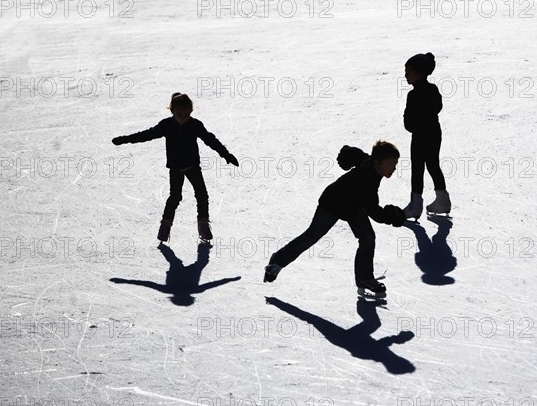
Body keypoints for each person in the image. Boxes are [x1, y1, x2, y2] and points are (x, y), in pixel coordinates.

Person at [264, 141, 406, 297]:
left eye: (396, 164)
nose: (394, 168)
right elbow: (374, 211)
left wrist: (347, 152)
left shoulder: (370, 163)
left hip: (353, 207)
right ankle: (277, 261)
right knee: (311, 236)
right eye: (391, 164)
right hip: (332, 204)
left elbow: (358, 155)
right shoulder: (368, 179)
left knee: (367, 237)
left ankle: (364, 278)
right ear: (377, 162)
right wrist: (393, 216)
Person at [112, 93, 239, 242]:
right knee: (175, 197)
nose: (183, 117)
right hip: (176, 168)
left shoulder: (195, 125)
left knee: (202, 195)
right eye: (179, 114)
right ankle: (165, 228)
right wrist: (125, 139)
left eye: (187, 114)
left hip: (192, 166)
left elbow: (210, 140)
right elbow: (146, 135)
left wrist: (226, 154)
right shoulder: (166, 126)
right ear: (172, 111)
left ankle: (203, 225)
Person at [402, 52, 451, 219]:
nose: (406, 75)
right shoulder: (433, 89)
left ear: (419, 74)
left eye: (409, 71)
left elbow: (408, 122)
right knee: (432, 165)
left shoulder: (413, 95)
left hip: (420, 136)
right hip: (434, 133)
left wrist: (416, 123)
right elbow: (437, 107)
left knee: (418, 168)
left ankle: (415, 205)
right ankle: (442, 200)